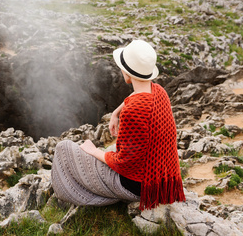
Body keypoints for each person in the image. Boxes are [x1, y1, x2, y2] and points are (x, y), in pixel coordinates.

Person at [51, 39, 186, 210]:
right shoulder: (160, 92)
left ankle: (80, 196)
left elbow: (123, 162)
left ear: (127, 72)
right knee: (108, 151)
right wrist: (116, 112)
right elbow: (135, 98)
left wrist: (93, 150)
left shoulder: (134, 111)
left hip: (138, 187)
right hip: (163, 178)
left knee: (64, 147)